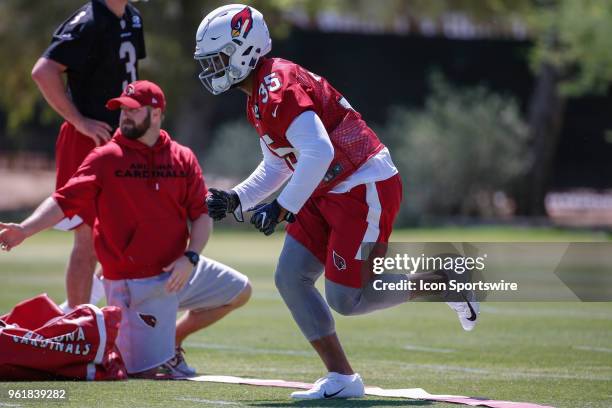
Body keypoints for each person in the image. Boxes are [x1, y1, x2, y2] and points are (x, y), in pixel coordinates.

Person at [195, 4, 480, 399]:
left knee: (348, 298)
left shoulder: (277, 83)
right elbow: (278, 165)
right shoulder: (258, 96)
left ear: (246, 49)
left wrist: (281, 208)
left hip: (362, 183)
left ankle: (440, 283)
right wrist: (236, 198)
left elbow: (318, 152)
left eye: (219, 57)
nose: (213, 68)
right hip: (327, 187)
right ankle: (342, 378)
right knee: (290, 277)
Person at [0, 80, 251, 378]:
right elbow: (63, 201)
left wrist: (192, 256)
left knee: (240, 291)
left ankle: (171, 342)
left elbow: (201, 215)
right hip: (135, 285)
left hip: (178, 270)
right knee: (141, 374)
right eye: (122, 109)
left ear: (156, 114)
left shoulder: (182, 157)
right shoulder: (105, 157)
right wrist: (25, 230)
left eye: (133, 110)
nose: (124, 116)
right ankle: (148, 347)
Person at [31, 0, 146, 311]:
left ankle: (78, 310)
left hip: (122, 139)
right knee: (88, 240)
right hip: (88, 140)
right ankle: (77, 327)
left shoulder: (132, 17)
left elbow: (129, 82)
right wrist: (79, 121)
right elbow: (44, 72)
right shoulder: (88, 22)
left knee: (127, 237)